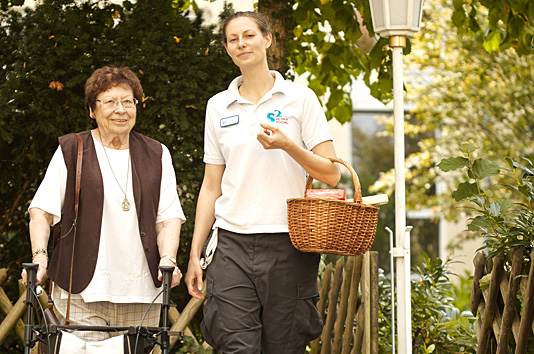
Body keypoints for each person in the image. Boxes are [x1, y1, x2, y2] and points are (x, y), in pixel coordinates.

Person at [184, 11, 341, 354]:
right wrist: (195, 254)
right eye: (233, 39)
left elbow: (331, 172)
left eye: (249, 35)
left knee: (284, 347)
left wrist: (288, 145)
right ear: (226, 48)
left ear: (267, 39)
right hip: (230, 246)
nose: (241, 43)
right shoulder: (218, 107)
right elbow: (211, 185)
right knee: (235, 347)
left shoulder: (301, 99)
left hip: (289, 243)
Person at [21, 65, 186, 342]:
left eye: (128, 101)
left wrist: (168, 259)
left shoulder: (157, 153)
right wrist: (40, 255)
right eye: (109, 102)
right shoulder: (73, 149)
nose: (120, 109)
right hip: (83, 289)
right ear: (92, 110)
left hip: (141, 291)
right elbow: (42, 211)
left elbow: (168, 217)